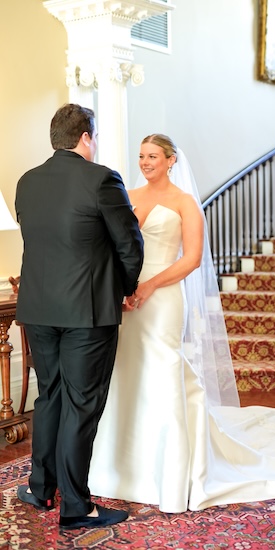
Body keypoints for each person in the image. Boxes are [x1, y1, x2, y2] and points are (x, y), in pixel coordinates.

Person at [88, 134, 275, 513]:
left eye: (153, 156)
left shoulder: (185, 202)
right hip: (128, 298)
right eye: (141, 156)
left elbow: (193, 260)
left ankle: (172, 472)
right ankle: (117, 463)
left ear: (171, 160)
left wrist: (150, 285)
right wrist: (123, 287)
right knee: (126, 370)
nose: (145, 162)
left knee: (163, 368)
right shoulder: (129, 196)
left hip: (164, 296)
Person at [15, 103, 144, 529]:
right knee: (81, 405)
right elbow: (129, 246)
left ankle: (40, 488)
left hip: (36, 308)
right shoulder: (102, 178)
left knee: (49, 395)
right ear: (86, 137)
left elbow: (41, 243)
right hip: (86, 312)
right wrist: (125, 289)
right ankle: (76, 506)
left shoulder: (26, 182)